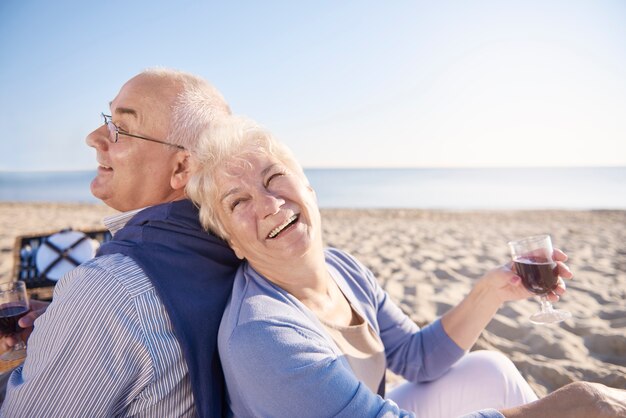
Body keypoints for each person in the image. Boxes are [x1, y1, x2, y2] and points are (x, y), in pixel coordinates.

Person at [185, 116, 625, 418]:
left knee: (488, 368)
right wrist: (566, 406)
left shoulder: (342, 267)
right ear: (232, 243)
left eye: (273, 177)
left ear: (310, 186)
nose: (269, 204)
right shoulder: (261, 333)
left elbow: (416, 358)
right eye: (238, 201)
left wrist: (493, 290)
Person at [0, 68, 240, 417]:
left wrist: (86, 314)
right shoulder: (225, 249)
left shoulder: (108, 288)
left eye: (121, 129)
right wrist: (63, 327)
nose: (94, 137)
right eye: (107, 119)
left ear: (182, 167)